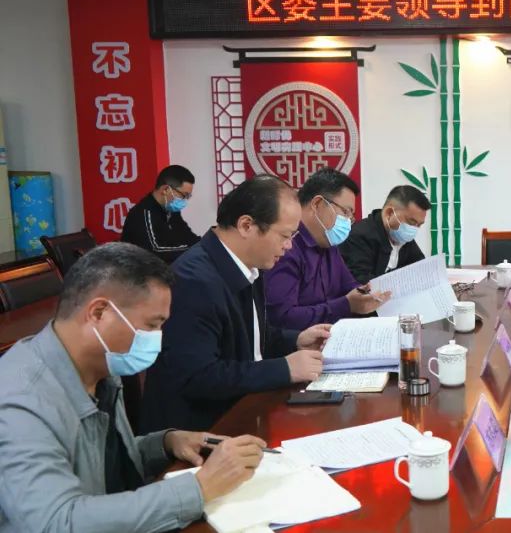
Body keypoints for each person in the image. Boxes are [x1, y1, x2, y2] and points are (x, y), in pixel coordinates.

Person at [0, 243, 268, 532]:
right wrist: (199, 488)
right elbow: (56, 522)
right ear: (99, 313)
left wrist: (166, 443)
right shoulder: (21, 401)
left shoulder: (100, 366)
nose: (158, 340)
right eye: (151, 325)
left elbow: (98, 464)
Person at [140, 175, 332, 433]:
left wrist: (296, 340)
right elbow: (199, 376)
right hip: (202, 429)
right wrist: (283, 369)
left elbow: (247, 337)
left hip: (245, 407)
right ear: (246, 225)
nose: (289, 246)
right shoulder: (194, 282)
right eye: (284, 235)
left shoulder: (249, 265)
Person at [265, 168, 387, 331]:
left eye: (351, 216)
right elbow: (282, 318)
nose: (348, 221)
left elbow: (349, 286)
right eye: (345, 212)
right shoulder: (286, 247)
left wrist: (366, 294)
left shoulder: (328, 243)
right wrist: (346, 305)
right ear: (317, 204)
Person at [340, 185, 430, 285]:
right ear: (389, 213)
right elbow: (363, 282)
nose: (414, 229)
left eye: (419, 225)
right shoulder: (359, 237)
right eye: (411, 222)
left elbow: (420, 268)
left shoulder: (403, 237)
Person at [121, 165, 201, 263]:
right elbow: (154, 251)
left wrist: (205, 244)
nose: (185, 200)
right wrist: (194, 250)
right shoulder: (143, 213)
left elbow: (187, 236)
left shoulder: (171, 211)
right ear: (165, 189)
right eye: (184, 195)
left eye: (188, 196)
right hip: (139, 269)